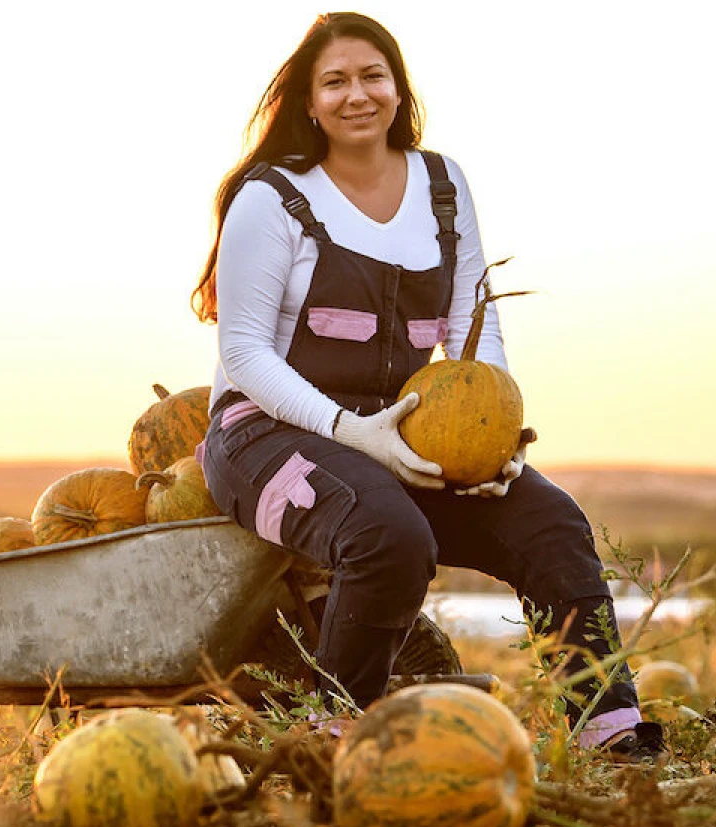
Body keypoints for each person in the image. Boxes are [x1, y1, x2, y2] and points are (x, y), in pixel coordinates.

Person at [191, 12, 663, 760]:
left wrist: (494, 440)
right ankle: (335, 737)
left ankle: (610, 735)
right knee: (388, 535)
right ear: (308, 103)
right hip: (265, 438)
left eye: (373, 76)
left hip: (405, 433)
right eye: (336, 81)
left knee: (551, 524)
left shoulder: (443, 185)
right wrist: (356, 435)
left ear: (398, 89)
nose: (357, 95)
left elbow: (475, 322)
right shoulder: (271, 198)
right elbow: (244, 353)